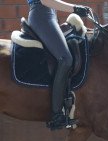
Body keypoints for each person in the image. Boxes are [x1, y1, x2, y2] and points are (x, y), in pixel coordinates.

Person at [27, 0, 90, 130]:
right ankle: (56, 115)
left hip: (49, 15)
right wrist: (75, 8)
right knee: (65, 59)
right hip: (42, 15)